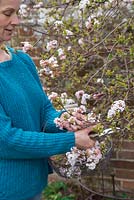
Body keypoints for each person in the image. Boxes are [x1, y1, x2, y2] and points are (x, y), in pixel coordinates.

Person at [0, 0, 95, 200]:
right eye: (8, 13)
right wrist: (72, 139)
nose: (16, 21)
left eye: (17, 13)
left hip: (34, 187)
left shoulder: (22, 60)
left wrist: (67, 122)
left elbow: (43, 111)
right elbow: (5, 140)